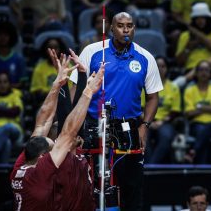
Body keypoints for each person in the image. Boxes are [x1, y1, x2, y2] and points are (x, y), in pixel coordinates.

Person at [69, 11, 163, 210]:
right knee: (90, 183)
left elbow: (153, 97)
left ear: (134, 28)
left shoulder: (146, 57)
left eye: (129, 25)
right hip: (93, 123)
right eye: (120, 25)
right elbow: (75, 89)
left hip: (129, 126)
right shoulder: (92, 51)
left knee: (132, 185)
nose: (126, 29)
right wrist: (72, 125)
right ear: (111, 28)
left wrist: (144, 127)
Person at [10, 53, 104, 210]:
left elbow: (42, 123)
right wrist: (88, 91)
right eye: (54, 147)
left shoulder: (21, 165)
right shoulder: (41, 172)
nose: (59, 147)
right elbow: (67, 133)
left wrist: (57, 84)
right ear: (42, 157)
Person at [184, 61, 211, 164]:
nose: (204, 73)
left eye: (206, 70)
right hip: (196, 125)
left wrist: (200, 107)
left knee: (205, 129)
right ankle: (203, 170)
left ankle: (193, 152)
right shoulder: (190, 89)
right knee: (203, 130)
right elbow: (189, 113)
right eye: (201, 70)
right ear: (196, 73)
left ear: (210, 73)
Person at [145, 56, 181, 164]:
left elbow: (175, 111)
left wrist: (162, 121)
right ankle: (150, 167)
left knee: (166, 136)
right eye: (157, 66)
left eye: (163, 66)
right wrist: (148, 122)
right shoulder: (145, 85)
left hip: (165, 122)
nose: (160, 69)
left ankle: (151, 166)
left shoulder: (173, 87)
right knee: (143, 138)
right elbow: (141, 108)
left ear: (167, 69)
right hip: (147, 121)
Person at [0, 72, 23, 163]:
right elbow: (10, 111)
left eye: (5, 82)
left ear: (9, 83)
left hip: (13, 128)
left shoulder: (14, 95)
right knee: (6, 142)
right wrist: (7, 110)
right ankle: (3, 171)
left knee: (7, 127)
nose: (2, 85)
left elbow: (16, 112)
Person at [0, 22, 26, 88]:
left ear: (11, 37)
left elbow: (22, 83)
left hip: (14, 95)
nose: (2, 37)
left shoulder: (19, 59)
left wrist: (6, 88)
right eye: (0, 34)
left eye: (6, 35)